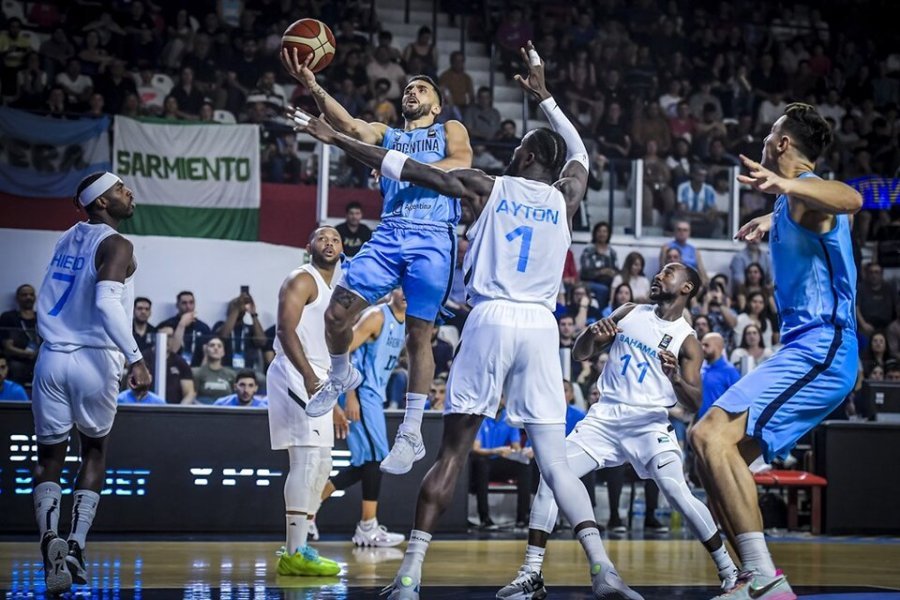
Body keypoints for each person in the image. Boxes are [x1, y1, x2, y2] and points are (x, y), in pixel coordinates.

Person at [292, 41, 617, 599]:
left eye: (518, 149)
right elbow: (580, 150)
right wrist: (546, 97)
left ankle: (410, 575)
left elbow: (411, 169)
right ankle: (603, 569)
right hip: (542, 328)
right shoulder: (568, 196)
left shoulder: (487, 186)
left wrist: (338, 140)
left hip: (490, 320)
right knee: (557, 462)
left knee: (452, 453)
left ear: (524, 158)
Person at [691, 103, 862, 600]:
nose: (765, 140)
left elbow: (851, 199)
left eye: (771, 133)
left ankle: (764, 576)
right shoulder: (793, 204)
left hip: (824, 347)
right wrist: (771, 216)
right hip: (806, 348)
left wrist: (784, 189)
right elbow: (802, 210)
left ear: (783, 144)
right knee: (714, 459)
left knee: (708, 434)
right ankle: (752, 579)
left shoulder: (809, 193)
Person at [282, 45, 473, 476]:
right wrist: (313, 86)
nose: (412, 92)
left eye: (422, 89)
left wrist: (393, 165)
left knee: (419, 335)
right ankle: (341, 374)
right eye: (408, 88)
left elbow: (460, 165)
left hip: (433, 236)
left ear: (436, 105)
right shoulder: (388, 134)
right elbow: (349, 125)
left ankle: (410, 432)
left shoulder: (449, 128)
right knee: (335, 315)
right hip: (389, 233)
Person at [498, 263, 739, 600]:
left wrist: (675, 378)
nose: (658, 276)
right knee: (552, 477)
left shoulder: (688, 341)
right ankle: (531, 574)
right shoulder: (629, 311)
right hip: (605, 418)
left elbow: (694, 401)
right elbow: (581, 353)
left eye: (668, 273)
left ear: (686, 288)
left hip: (648, 422)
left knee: (677, 492)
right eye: (659, 272)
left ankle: (730, 573)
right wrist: (591, 334)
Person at [30, 172, 152, 595]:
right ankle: (76, 546)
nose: (129, 192)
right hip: (95, 358)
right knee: (94, 450)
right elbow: (105, 302)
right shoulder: (117, 244)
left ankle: (48, 537)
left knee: (50, 457)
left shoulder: (66, 238)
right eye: (120, 188)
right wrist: (136, 357)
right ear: (101, 202)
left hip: (51, 358)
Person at [266, 226, 346, 577]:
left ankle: (298, 546)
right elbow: (285, 330)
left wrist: (333, 397)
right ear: (308, 246)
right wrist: (309, 377)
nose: (329, 242)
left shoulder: (335, 289)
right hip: (296, 371)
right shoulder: (301, 278)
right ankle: (294, 552)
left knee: (322, 463)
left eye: (335, 239)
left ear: (342, 250)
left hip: (318, 376)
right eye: (322, 238)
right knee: (307, 460)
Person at [320, 289, 407, 547]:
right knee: (376, 459)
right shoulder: (376, 316)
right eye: (400, 286)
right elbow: (344, 350)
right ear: (391, 290)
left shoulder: (406, 321)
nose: (405, 293)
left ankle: (310, 507)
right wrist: (351, 396)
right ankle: (367, 527)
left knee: (367, 463)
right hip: (361, 392)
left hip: (373, 394)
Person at [471, 400, 531, 529]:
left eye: (501, 397)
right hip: (481, 461)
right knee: (482, 464)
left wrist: (521, 452)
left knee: (524, 466)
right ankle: (484, 518)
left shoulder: (509, 418)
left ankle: (522, 518)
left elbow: (516, 445)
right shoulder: (481, 417)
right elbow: (476, 448)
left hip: (499, 462)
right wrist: (496, 451)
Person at [214, 290, 267, 370]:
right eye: (235, 306)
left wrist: (253, 314)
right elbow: (223, 336)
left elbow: (262, 342)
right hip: (225, 371)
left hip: (248, 371)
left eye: (240, 306)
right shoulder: (220, 325)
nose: (239, 308)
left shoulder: (250, 328)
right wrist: (236, 308)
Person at [158, 291, 211, 367]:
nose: (188, 306)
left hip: (197, 368)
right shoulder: (167, 324)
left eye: (191, 303)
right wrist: (181, 324)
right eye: (184, 303)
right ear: (177, 305)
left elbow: (209, 353)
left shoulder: (203, 327)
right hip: (172, 368)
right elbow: (171, 351)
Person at [0, 283, 39, 385]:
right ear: (17, 298)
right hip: (16, 360)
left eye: (31, 294)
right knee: (15, 367)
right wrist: (27, 354)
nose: (28, 297)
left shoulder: (41, 317)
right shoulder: (8, 317)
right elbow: (7, 347)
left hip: (39, 359)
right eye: (24, 295)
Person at [697, 333, 742, 420]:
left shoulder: (730, 372)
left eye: (706, 345)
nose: (702, 348)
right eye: (701, 345)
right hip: (700, 423)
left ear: (718, 347)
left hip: (719, 424)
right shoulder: (701, 369)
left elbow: (738, 401)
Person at [659, 219, 709, 284]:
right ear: (674, 231)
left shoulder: (694, 250)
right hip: (674, 281)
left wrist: (706, 283)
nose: (682, 232)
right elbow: (662, 268)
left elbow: (701, 270)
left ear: (689, 233)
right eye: (679, 229)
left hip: (693, 282)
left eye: (685, 230)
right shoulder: (666, 247)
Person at [192, 336, 236, 404]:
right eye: (212, 345)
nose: (216, 348)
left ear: (223, 352)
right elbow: (191, 397)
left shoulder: (231, 374)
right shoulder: (196, 372)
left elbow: (236, 397)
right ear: (206, 350)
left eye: (219, 346)